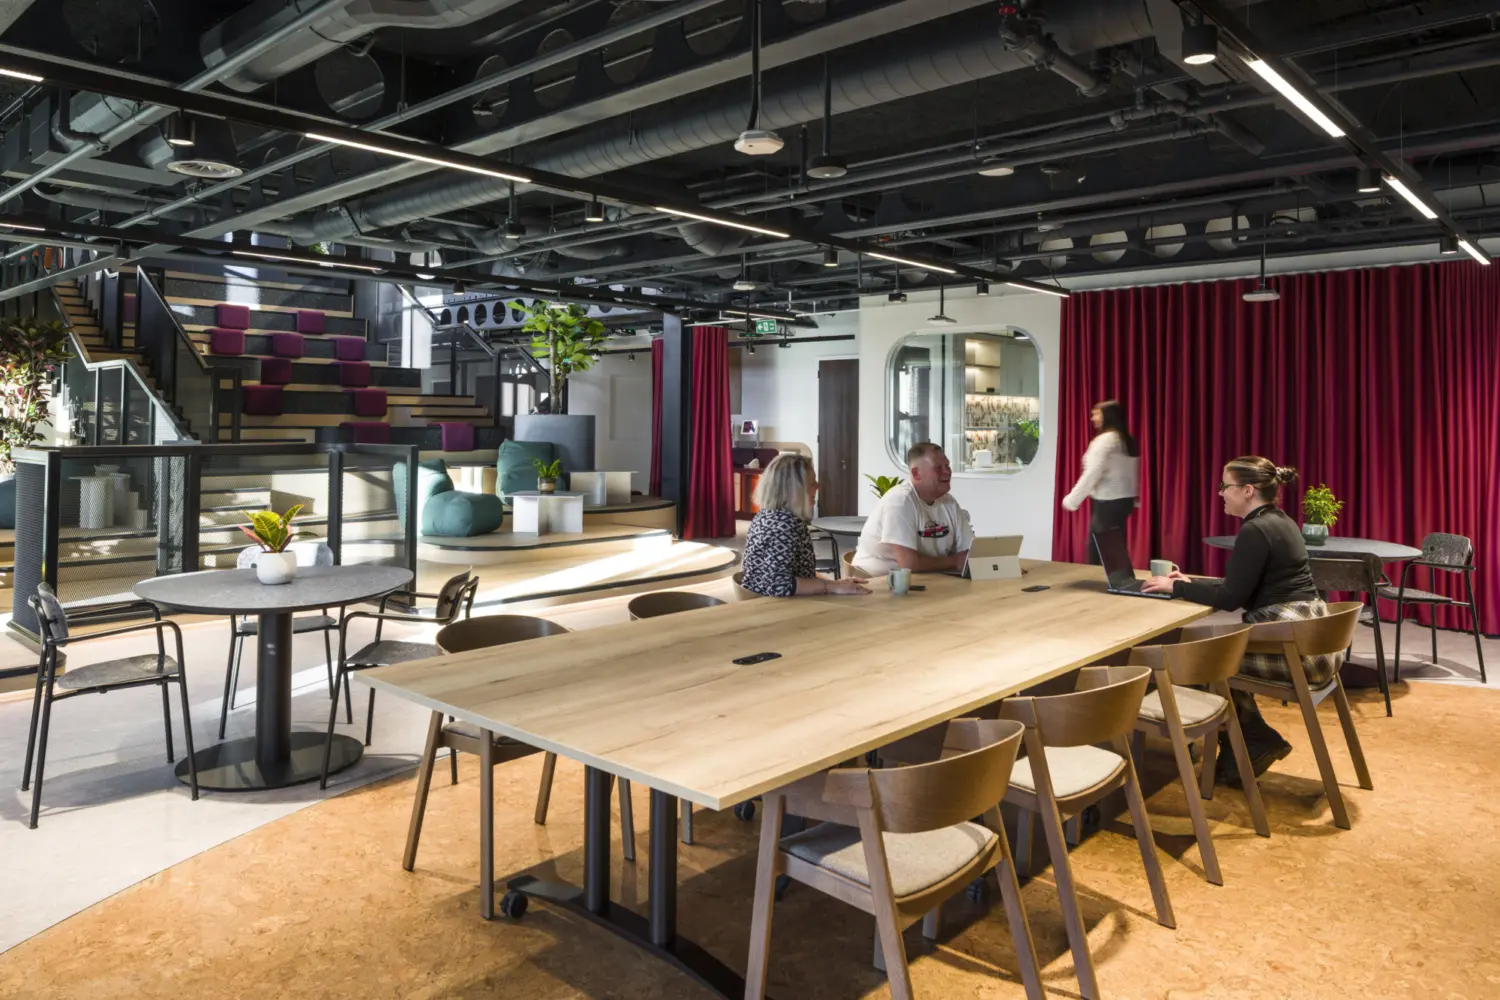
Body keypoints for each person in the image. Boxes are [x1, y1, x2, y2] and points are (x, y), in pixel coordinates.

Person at [1142, 456, 1341, 781]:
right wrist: (1190, 583)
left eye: (1226, 486)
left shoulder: (1256, 529)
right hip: (1314, 640)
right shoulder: (1280, 520)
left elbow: (1231, 598)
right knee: (1212, 650)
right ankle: (1248, 744)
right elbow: (1243, 589)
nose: (1221, 493)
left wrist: (1175, 588)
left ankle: (1247, 742)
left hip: (1298, 651)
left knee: (1199, 659)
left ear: (1248, 490)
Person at [740, 453, 870, 598]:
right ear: (794, 491)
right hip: (773, 608)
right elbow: (780, 586)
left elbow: (795, 573)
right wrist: (832, 586)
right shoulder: (782, 526)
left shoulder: (769, 515)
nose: (818, 486)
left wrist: (838, 584)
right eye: (812, 483)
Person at [852, 442, 973, 576]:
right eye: (938, 468)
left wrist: (958, 559)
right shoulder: (900, 501)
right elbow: (910, 564)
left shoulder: (949, 502)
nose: (947, 472)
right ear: (916, 473)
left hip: (927, 581)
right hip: (876, 584)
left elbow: (969, 552)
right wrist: (954, 561)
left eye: (947, 466)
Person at [1062, 399, 1140, 564]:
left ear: (1107, 416)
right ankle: (1120, 584)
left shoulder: (1106, 440)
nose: (1093, 418)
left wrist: (1072, 500)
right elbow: (1131, 474)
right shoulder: (1125, 439)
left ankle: (1102, 585)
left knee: (1098, 551)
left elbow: (1092, 473)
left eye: (1096, 414)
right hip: (1123, 502)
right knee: (1115, 548)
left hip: (1107, 502)